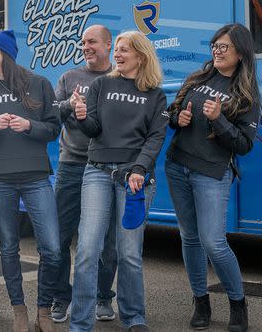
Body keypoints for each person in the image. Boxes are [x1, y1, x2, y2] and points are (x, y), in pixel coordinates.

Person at [165, 23, 262, 332]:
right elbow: (172, 112)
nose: (217, 52)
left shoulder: (246, 95)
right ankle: (201, 301)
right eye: (215, 47)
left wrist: (217, 119)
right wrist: (177, 119)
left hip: (212, 174)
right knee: (189, 238)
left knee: (213, 242)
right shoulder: (200, 77)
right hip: (178, 166)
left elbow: (243, 146)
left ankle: (238, 303)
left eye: (224, 48)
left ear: (240, 52)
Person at [69, 31, 168, 332]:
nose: (118, 55)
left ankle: (135, 317)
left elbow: (155, 138)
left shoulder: (155, 94)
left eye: (125, 50)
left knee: (129, 252)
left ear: (141, 55)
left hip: (135, 178)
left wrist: (139, 168)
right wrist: (82, 115)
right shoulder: (102, 84)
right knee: (87, 249)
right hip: (97, 171)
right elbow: (92, 128)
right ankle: (81, 322)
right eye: (118, 50)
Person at [0, 29, 61, 332]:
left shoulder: (39, 84)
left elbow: (52, 129)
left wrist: (29, 125)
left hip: (36, 176)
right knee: (8, 247)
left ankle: (44, 311)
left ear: (6, 52)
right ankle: (19, 310)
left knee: (51, 248)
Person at [51, 25, 119, 324]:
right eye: (82, 42)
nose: (86, 46)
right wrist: (69, 104)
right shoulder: (69, 78)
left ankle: (103, 297)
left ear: (108, 44)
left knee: (108, 241)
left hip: (107, 167)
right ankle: (61, 297)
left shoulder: (120, 78)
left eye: (92, 41)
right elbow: (52, 114)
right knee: (60, 237)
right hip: (71, 165)